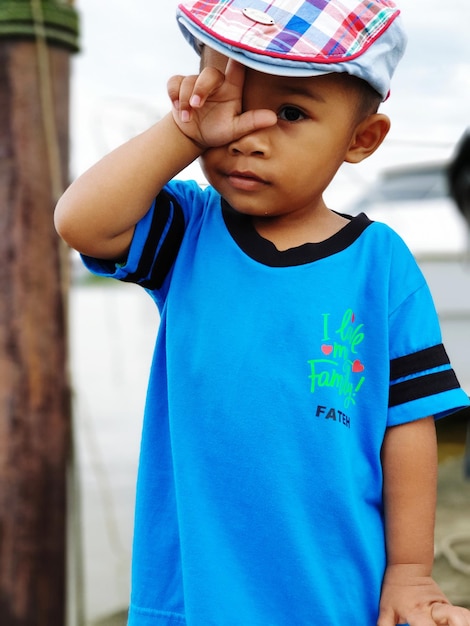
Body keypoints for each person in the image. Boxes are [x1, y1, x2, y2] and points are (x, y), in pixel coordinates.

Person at [55, 1, 470, 624]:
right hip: (190, 597)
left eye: (290, 113)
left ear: (362, 139)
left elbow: (408, 425)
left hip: (333, 594)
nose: (247, 134)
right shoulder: (190, 232)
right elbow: (81, 222)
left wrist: (409, 573)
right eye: (231, 106)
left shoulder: (380, 266)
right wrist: (185, 132)